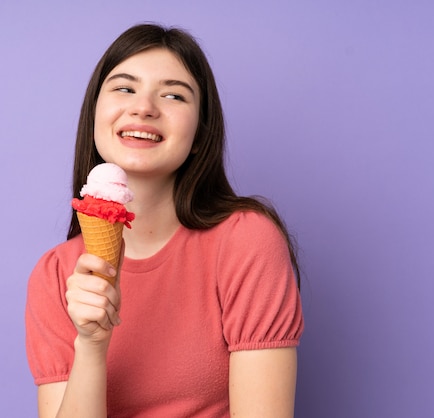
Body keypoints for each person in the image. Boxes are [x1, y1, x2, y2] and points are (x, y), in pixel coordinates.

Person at [25, 23, 304, 417]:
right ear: (94, 115)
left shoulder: (247, 241)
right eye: (124, 88)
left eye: (174, 95)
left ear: (200, 133)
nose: (144, 107)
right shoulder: (55, 275)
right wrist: (90, 346)